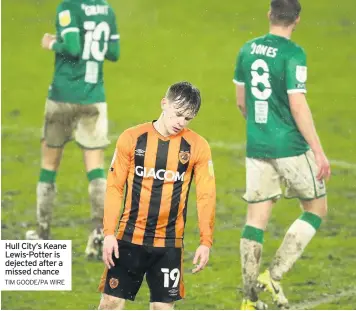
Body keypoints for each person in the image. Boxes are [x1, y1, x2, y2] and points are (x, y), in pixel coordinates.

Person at [233, 0, 331, 309]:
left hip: (257, 145)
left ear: (269, 15)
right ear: (297, 20)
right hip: (289, 146)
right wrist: (318, 150)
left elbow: (241, 102)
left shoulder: (247, 50)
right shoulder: (293, 54)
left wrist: (262, 127)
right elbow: (298, 105)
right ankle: (273, 276)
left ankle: (249, 299)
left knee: (256, 220)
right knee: (316, 208)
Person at [97, 81, 216, 310]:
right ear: (164, 104)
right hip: (129, 238)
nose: (180, 122)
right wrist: (109, 233)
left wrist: (205, 241)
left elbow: (206, 195)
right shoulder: (132, 138)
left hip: (168, 244)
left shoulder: (197, 146)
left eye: (188, 118)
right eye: (177, 114)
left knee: (162, 308)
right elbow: (114, 187)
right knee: (110, 303)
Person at [25, 0, 120, 259]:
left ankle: (43, 233)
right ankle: (98, 236)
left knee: (49, 164)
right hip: (93, 97)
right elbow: (113, 53)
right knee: (96, 169)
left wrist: (52, 44)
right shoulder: (106, 10)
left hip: (62, 97)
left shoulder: (68, 8)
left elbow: (73, 48)